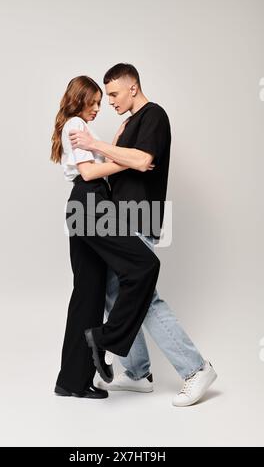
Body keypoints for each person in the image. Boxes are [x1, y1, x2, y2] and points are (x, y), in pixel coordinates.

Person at [68, 63, 217, 407]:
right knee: (115, 293)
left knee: (144, 298)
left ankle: (196, 369)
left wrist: (96, 144)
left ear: (132, 87)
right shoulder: (128, 123)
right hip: (118, 218)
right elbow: (124, 165)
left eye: (115, 94)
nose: (110, 101)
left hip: (138, 216)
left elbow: (143, 159)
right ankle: (137, 374)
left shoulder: (154, 115)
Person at [50, 75, 160, 399]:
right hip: (90, 204)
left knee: (89, 293)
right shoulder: (75, 124)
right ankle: (107, 338)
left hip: (85, 205)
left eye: (102, 102)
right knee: (144, 264)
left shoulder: (80, 126)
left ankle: (71, 381)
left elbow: (95, 161)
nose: (99, 108)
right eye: (94, 102)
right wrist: (128, 163)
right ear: (79, 98)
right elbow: (88, 173)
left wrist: (114, 143)